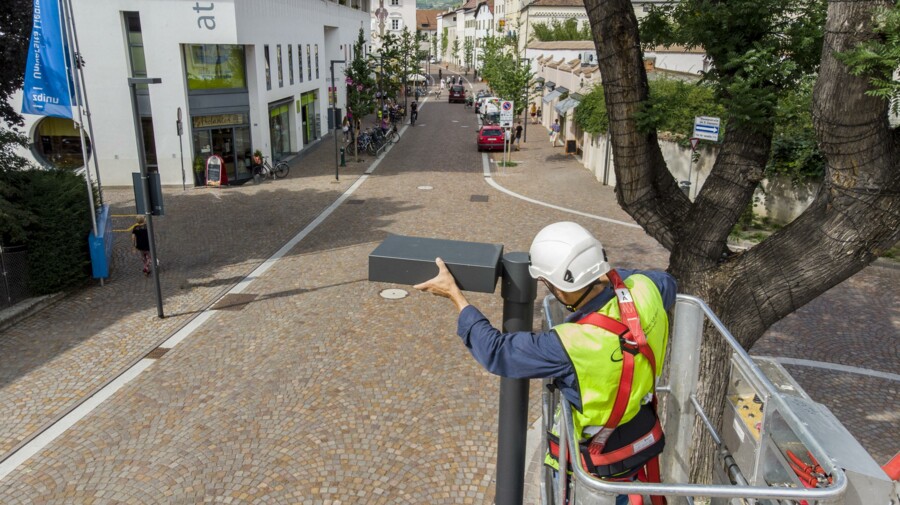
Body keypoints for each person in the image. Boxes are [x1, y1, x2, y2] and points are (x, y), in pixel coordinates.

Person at [415, 222, 675, 505]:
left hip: (596, 469)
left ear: (560, 290)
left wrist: (456, 296)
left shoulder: (570, 344)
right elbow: (666, 284)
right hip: (637, 440)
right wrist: (608, 277)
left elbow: (497, 351)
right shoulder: (649, 290)